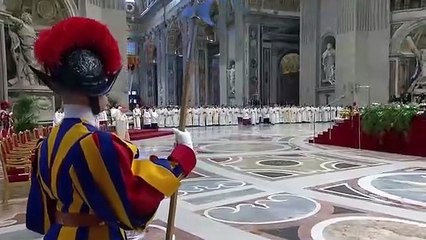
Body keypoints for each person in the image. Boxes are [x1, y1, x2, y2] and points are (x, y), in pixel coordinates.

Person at [26, 17, 196, 240]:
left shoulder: (46, 144)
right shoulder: (94, 144)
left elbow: (41, 214)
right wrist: (182, 155)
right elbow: (134, 206)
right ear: (95, 93)